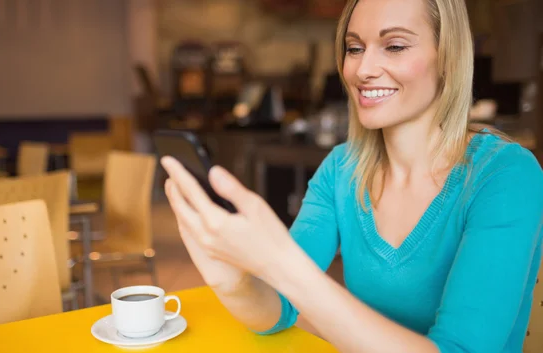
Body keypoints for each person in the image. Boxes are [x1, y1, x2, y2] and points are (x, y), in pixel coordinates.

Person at [160, 0, 543, 352]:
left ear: (448, 58)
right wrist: (231, 280)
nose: (362, 69)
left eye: (394, 46)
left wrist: (282, 266)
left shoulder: (505, 175)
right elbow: (277, 309)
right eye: (354, 47)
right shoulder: (342, 169)